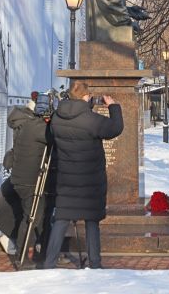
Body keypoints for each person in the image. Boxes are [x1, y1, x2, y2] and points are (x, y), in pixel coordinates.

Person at [43, 82, 124, 269]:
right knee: (91, 221)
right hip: (90, 180)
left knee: (61, 220)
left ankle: (49, 263)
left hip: (66, 179)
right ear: (86, 97)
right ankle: (95, 263)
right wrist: (113, 106)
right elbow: (115, 128)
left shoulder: (57, 118)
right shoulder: (90, 119)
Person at [6, 98, 53, 267]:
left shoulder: (27, 124)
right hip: (30, 180)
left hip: (23, 179)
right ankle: (22, 256)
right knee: (32, 217)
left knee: (35, 216)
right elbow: (54, 136)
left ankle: (38, 251)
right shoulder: (37, 127)